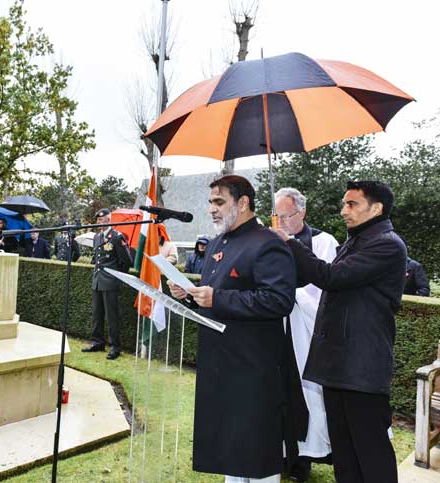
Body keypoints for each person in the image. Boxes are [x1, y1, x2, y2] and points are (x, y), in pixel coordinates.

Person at [273, 180, 406, 483]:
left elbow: (330, 276)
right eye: (345, 203)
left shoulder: (387, 244)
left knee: (370, 454)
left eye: (352, 204)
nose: (344, 210)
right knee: (345, 455)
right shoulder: (355, 241)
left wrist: (289, 242)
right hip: (338, 365)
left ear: (377, 208)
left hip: (362, 368)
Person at [168, 175, 296, 483]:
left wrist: (217, 297)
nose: (211, 209)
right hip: (219, 365)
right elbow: (215, 296)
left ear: (242, 203)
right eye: (210, 202)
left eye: (219, 202)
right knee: (230, 453)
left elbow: (279, 301)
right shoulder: (215, 244)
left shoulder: (268, 244)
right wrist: (190, 295)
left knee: (255, 454)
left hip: (253, 369)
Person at [274, 187, 339, 482]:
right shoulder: (269, 240)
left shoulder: (323, 242)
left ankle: (308, 457)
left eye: (286, 215)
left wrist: (294, 293)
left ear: (303, 213)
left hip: (306, 332)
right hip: (277, 330)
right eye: (277, 215)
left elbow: (326, 288)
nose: (281, 222)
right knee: (279, 393)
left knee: (308, 395)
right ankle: (282, 453)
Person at [82, 208, 132, 360]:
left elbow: (126, 261)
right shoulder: (97, 237)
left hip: (110, 282)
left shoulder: (117, 237)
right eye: (98, 220)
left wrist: (114, 275)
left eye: (103, 219)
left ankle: (114, 346)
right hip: (97, 280)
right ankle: (98, 342)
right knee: (97, 314)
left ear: (109, 220)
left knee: (112, 317)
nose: (100, 222)